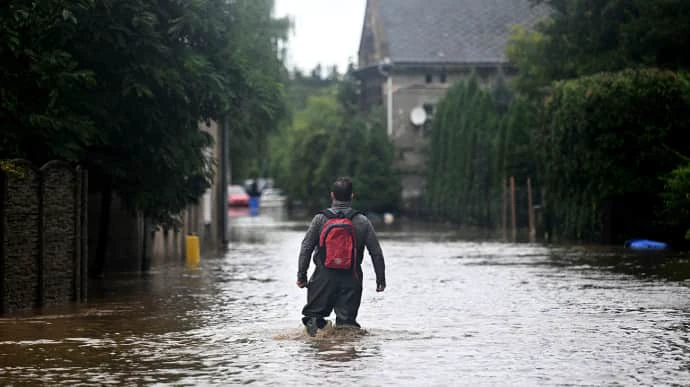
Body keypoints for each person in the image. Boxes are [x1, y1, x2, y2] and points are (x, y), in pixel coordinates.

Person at [296, 177, 386, 336]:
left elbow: (306, 248)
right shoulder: (362, 221)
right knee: (347, 327)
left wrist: (301, 276)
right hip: (351, 278)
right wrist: (380, 280)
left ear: (332, 195)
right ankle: (346, 357)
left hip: (323, 278)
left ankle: (320, 356)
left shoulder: (320, 219)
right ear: (352, 196)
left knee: (314, 320)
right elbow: (376, 253)